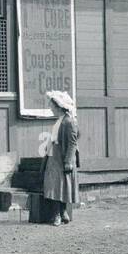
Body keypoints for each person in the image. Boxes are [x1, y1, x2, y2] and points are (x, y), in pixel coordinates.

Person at [41, 90, 80, 226]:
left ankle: (60, 213)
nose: (51, 108)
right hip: (54, 156)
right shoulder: (59, 121)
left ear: (59, 106)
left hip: (62, 157)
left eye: (52, 106)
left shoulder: (69, 121)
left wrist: (68, 161)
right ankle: (60, 213)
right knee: (54, 185)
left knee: (60, 185)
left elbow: (72, 143)